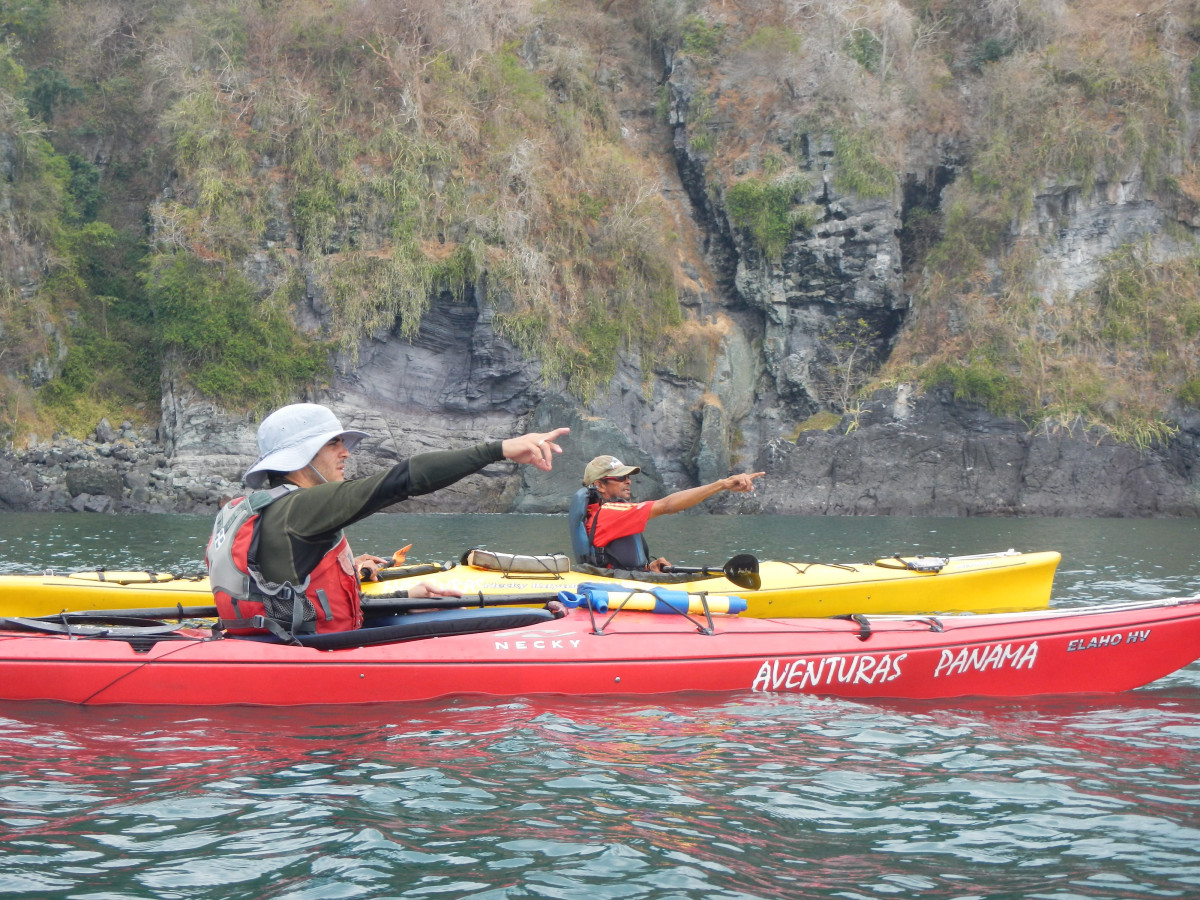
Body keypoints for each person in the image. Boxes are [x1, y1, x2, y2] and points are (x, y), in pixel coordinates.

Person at [207, 402, 567, 638]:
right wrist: (499, 450)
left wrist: (403, 595)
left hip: (276, 641)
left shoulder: (257, 507)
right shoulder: (299, 508)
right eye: (334, 443)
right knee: (532, 621)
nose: (345, 452)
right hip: (308, 654)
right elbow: (400, 482)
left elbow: (301, 598)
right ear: (301, 455)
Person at [568, 454, 764, 574]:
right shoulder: (610, 512)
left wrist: (646, 568)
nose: (628, 481)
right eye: (620, 477)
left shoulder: (600, 513)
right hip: (624, 588)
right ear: (600, 485)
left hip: (625, 580)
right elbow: (668, 506)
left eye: (628, 477)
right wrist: (722, 484)